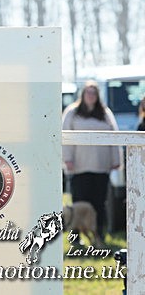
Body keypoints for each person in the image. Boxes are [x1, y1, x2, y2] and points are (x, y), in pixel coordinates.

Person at [62, 80, 121, 239]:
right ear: (82, 94)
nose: (91, 95)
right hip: (79, 167)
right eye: (88, 92)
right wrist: (67, 159)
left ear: (97, 95)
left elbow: (114, 137)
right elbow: (65, 137)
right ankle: (76, 238)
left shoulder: (105, 113)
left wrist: (116, 160)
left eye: (94, 92)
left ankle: (98, 235)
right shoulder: (72, 112)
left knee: (99, 204)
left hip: (101, 166)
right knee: (79, 203)